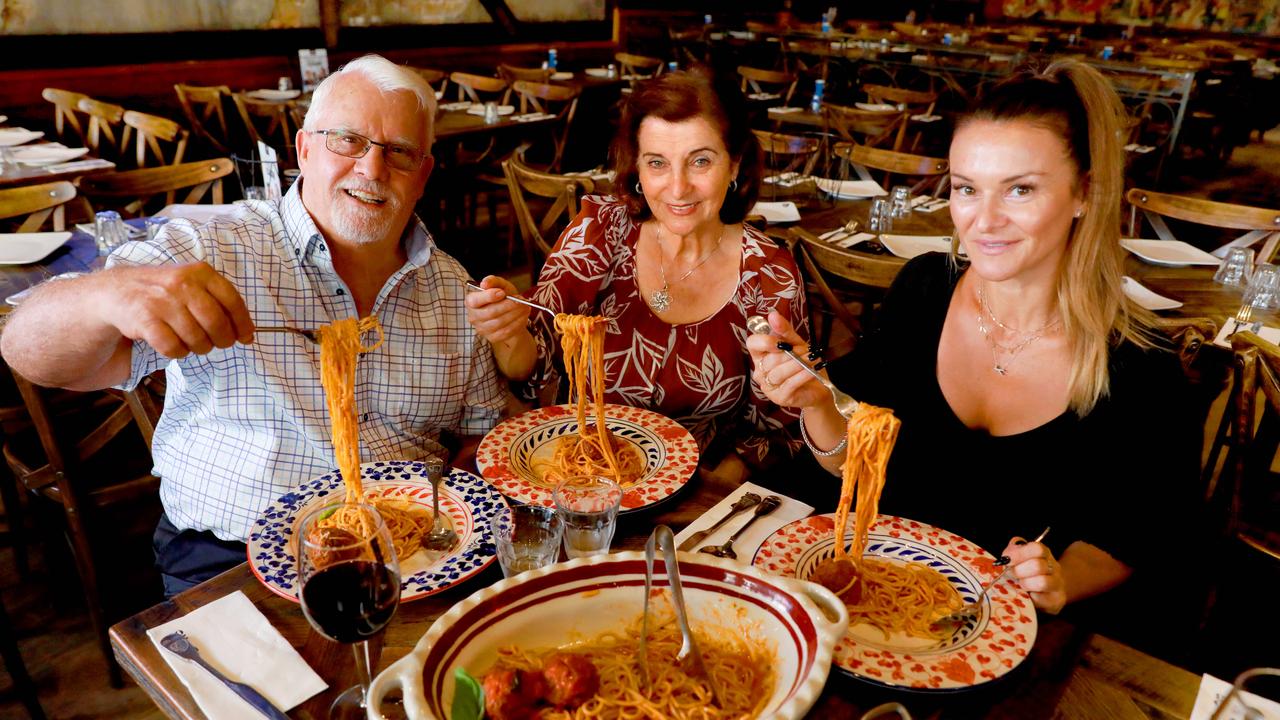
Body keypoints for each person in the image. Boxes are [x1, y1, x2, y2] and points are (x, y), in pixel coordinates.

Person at [0, 54, 511, 596]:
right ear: (304, 149)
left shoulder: (456, 290)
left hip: (412, 557)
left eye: (399, 153)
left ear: (424, 174)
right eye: (347, 141)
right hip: (230, 560)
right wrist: (104, 295)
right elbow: (29, 353)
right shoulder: (210, 250)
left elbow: (478, 438)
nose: (371, 169)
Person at [747, 59, 1202, 616]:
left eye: (1019, 190)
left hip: (997, 624)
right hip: (864, 588)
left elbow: (1135, 535)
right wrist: (817, 399)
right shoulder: (923, 289)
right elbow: (851, 464)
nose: (983, 221)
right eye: (966, 188)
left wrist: (1060, 582)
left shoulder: (1143, 365)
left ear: (1085, 193)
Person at [467, 68, 808, 476]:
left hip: (701, 486)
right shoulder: (599, 232)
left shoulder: (769, 274)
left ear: (734, 165)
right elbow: (531, 369)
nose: (678, 188)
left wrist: (703, 500)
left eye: (700, 161)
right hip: (572, 472)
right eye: (657, 163)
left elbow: (777, 428)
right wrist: (508, 332)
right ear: (638, 168)